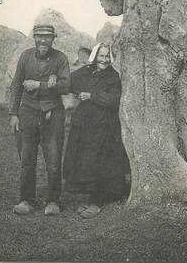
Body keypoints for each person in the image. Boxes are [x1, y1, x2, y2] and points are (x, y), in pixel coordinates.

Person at [9, 24, 70, 216]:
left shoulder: (61, 58)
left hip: (53, 114)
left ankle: (53, 201)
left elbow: (66, 85)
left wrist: (40, 85)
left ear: (53, 38)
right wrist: (13, 114)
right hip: (27, 113)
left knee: (53, 160)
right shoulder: (26, 56)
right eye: (39, 36)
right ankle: (27, 199)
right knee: (27, 159)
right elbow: (17, 85)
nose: (43, 40)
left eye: (47, 37)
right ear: (34, 38)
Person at [63, 43, 130, 217]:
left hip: (104, 126)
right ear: (95, 56)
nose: (105, 60)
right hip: (84, 125)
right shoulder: (84, 72)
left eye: (108, 56)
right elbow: (67, 83)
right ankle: (90, 197)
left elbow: (114, 100)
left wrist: (91, 96)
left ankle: (97, 202)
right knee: (85, 161)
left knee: (100, 162)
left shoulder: (113, 76)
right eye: (101, 56)